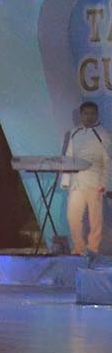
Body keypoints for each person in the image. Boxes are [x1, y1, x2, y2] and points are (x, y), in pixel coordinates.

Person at [68, 101, 112, 261]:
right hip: (77, 183)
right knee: (73, 217)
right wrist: (66, 181)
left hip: (95, 183)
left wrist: (107, 185)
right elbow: (69, 157)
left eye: (92, 113)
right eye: (86, 113)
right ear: (81, 115)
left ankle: (93, 249)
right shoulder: (74, 132)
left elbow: (109, 162)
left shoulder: (104, 134)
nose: (89, 116)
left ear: (97, 114)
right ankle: (78, 249)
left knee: (96, 220)